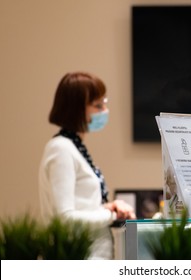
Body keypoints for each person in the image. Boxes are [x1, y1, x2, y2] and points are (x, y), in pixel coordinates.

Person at [38, 71, 136, 259]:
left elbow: (82, 206)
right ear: (76, 110)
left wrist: (108, 208)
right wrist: (113, 216)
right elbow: (65, 219)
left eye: (104, 103)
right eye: (97, 106)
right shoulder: (61, 150)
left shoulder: (73, 147)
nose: (104, 111)